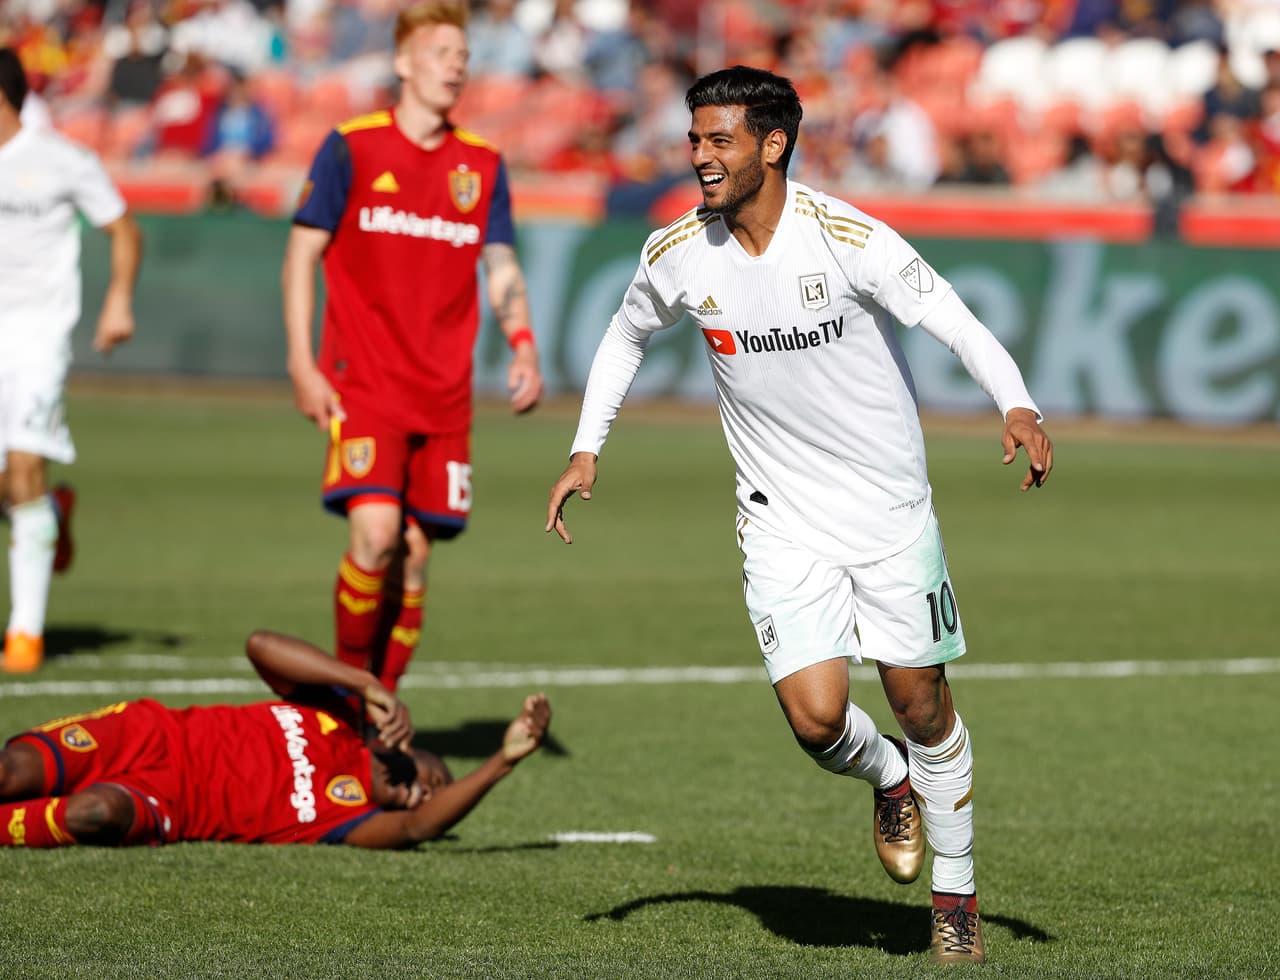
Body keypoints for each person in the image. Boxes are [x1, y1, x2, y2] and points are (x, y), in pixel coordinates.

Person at [545, 65, 1054, 965]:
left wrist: (1018, 406)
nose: (701, 155)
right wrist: (589, 445)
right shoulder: (676, 254)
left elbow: (955, 319)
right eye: (695, 138)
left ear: (772, 145)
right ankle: (889, 777)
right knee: (818, 722)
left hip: (888, 509)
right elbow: (626, 331)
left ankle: (958, 898)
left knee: (920, 702)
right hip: (777, 514)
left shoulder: (845, 237)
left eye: (719, 140)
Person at [281, 2, 543, 696]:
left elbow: (502, 265)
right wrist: (301, 363)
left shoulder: (482, 165)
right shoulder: (351, 146)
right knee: (374, 536)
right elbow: (301, 253)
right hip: (362, 383)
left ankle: (381, 705)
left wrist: (523, 343)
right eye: (441, 52)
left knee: (416, 554)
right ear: (402, 62)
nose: (457, 65)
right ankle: (349, 701)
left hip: (443, 395)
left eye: (464, 55)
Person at [0, 628, 552, 849]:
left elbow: (416, 826)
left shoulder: (351, 818)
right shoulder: (336, 714)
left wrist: (500, 762)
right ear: (407, 747)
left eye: (437, 797)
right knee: (11, 772)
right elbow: (260, 644)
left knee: (93, 813)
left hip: (167, 803)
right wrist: (364, 683)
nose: (427, 793)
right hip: (145, 734)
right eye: (433, 778)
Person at [0, 47, 143, 674]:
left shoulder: (60, 158)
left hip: (36, 336)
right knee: (13, 488)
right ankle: (51, 514)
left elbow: (123, 227)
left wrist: (117, 302)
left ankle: (25, 634)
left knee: (25, 464)